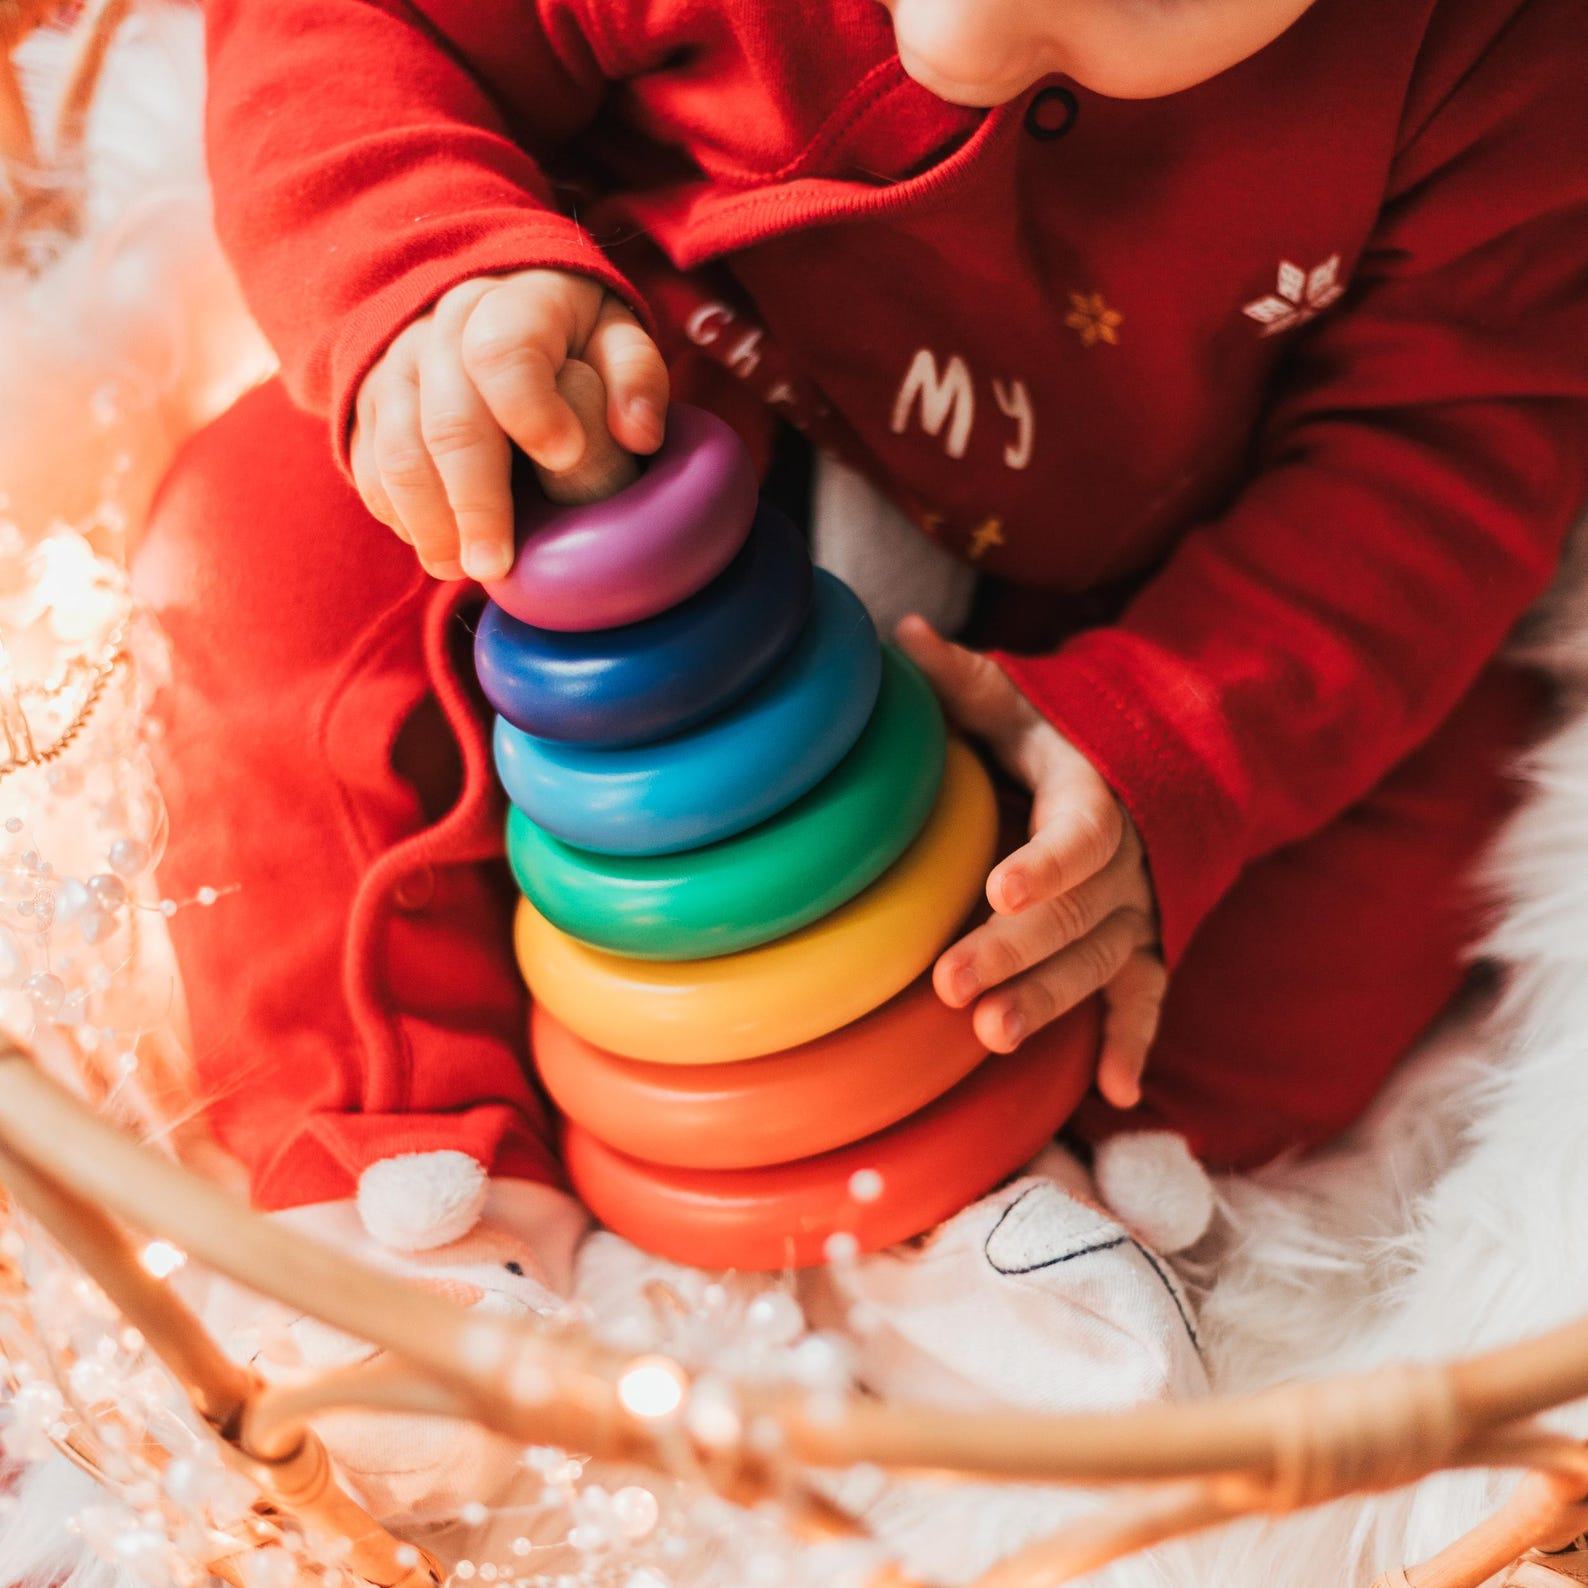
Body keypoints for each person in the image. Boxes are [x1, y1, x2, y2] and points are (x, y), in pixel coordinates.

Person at [138, 0, 1587, 1520]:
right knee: (262, 553)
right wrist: (430, 269)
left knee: (1436, 813)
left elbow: (1444, 447)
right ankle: (418, 1181)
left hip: (1122, 610)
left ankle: (989, 1205)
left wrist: (1174, 742)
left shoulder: (1493, 55)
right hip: (605, 478)